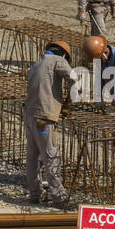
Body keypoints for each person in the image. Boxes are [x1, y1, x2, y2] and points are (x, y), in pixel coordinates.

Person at [24, 40, 78, 207]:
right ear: (63, 54)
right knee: (50, 155)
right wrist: (70, 101)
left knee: (32, 157)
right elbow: (74, 79)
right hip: (43, 118)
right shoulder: (58, 61)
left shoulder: (36, 64)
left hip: (29, 116)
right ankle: (59, 197)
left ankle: (35, 194)